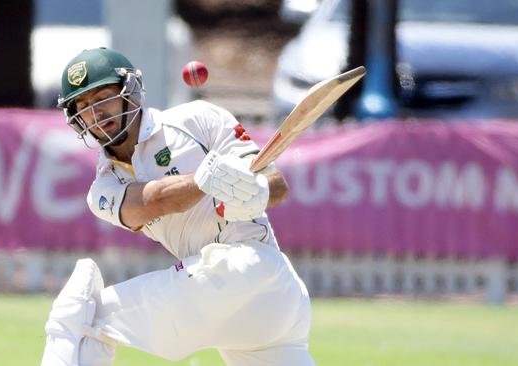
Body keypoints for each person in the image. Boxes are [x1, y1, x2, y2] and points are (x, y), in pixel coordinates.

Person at [40, 47, 314, 366]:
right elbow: (152, 202)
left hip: (251, 267)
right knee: (87, 314)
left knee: (82, 317)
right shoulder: (103, 189)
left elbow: (276, 183)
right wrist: (206, 179)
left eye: (103, 97)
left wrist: (256, 189)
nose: (96, 113)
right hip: (244, 302)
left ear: (129, 92)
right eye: (84, 106)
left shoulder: (198, 119)